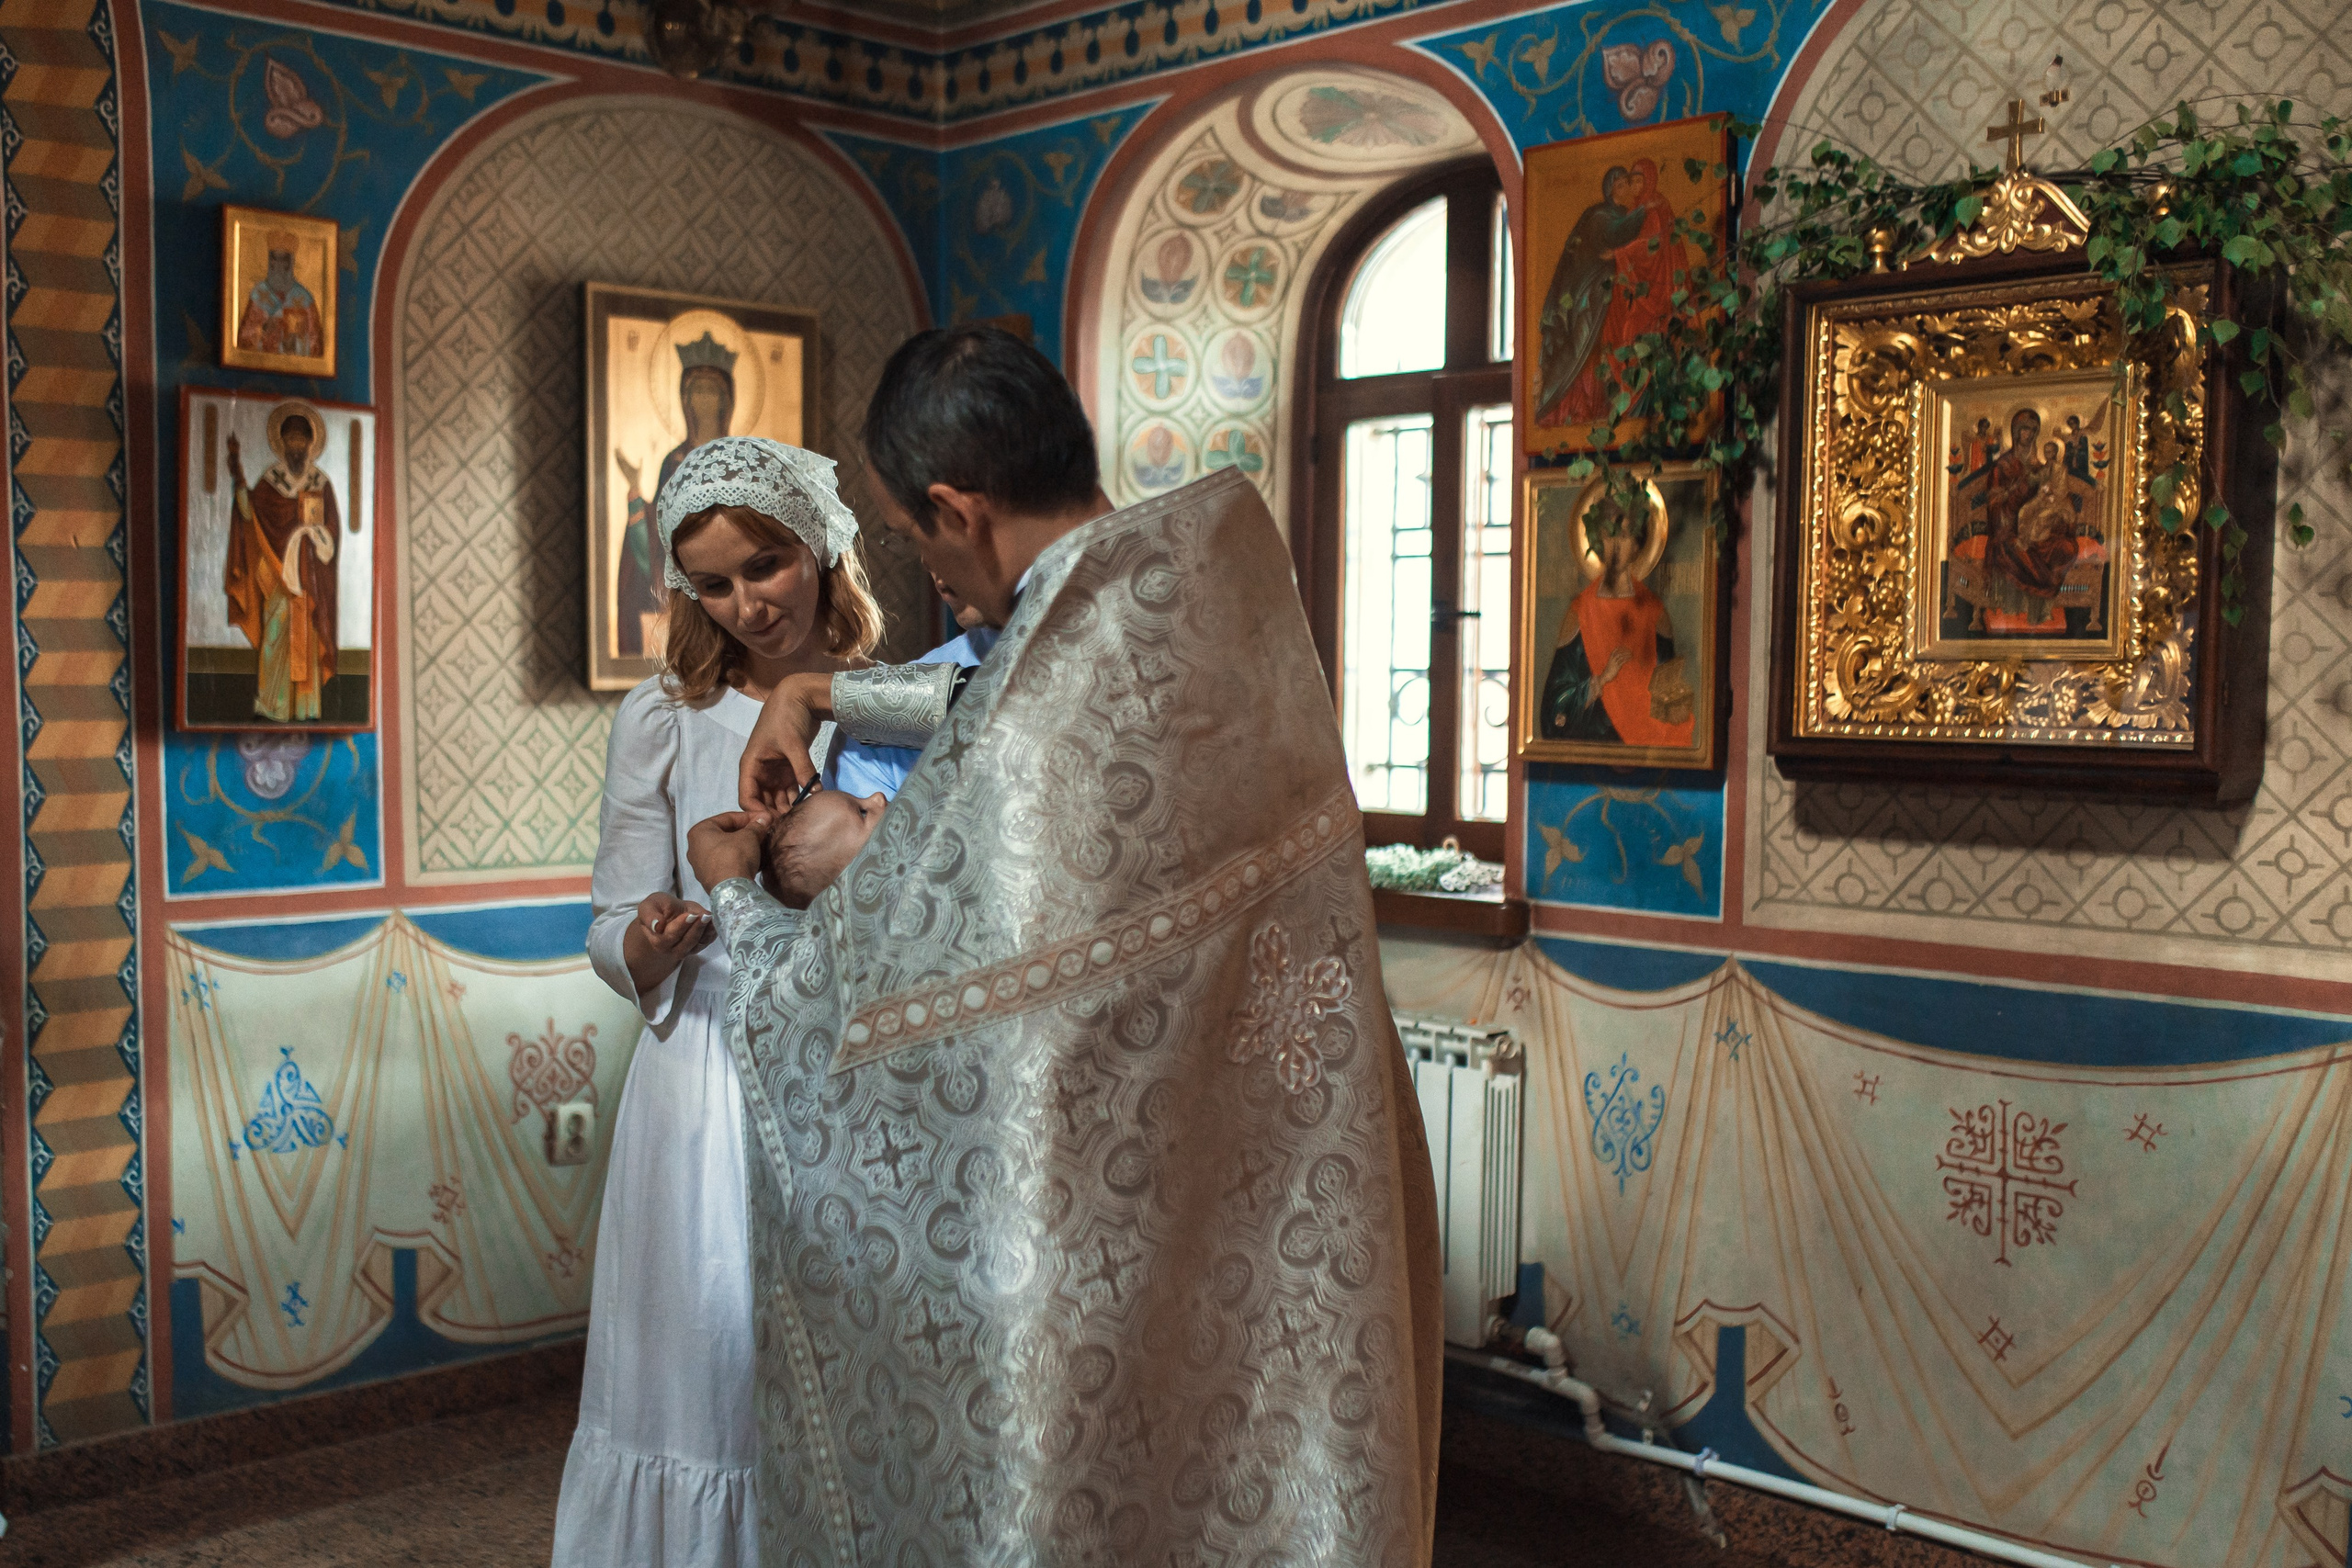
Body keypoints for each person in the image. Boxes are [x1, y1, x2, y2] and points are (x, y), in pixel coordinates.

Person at [685, 325, 1442, 1565]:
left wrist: (742, 898)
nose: (931, 574)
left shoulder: (1037, 727)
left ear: (953, 508)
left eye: (916, 537)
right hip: (1269, 1178)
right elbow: (1014, 691)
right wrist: (816, 692)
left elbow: (837, 1007)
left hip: (1101, 1228)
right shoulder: (1194, 580)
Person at [557, 435, 896, 1568]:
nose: (744, 603)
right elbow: (607, 924)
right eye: (711, 582)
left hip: (858, 1074)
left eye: (766, 565)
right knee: (711, 1363)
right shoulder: (663, 717)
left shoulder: (893, 706)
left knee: (847, 1361)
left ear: (825, 549)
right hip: (703, 1079)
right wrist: (647, 946)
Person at [1534, 159, 1685, 431]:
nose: (1631, 186)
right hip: (1588, 300)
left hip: (1628, 297)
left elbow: (1649, 248)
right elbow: (1617, 233)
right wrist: (1638, 217)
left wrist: (1621, 252)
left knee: (1610, 349)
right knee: (1581, 350)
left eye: (1636, 181)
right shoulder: (1601, 216)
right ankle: (1558, 403)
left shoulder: (1646, 210)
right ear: (1611, 187)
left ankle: (1615, 407)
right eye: (1626, 181)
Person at [1539, 486, 1691, 746]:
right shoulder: (1580, 612)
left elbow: (1668, 694)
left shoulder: (1655, 613)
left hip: (1648, 745)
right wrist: (1599, 682)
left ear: (1638, 545)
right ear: (1598, 540)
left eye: (1626, 535)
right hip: (1595, 745)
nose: (1617, 545)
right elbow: (1554, 710)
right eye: (1609, 535)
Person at [223, 403, 341, 723]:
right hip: (276, 575)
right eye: (290, 440)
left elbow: (332, 533)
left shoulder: (321, 483)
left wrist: (316, 534)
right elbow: (250, 516)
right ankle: (273, 705)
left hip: (310, 576)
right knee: (275, 635)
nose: (296, 446)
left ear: (310, 443)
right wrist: (238, 477)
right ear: (282, 443)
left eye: (301, 440)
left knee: (308, 635)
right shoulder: (271, 480)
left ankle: (306, 708)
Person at [236, 234, 322, 357]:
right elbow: (244, 340)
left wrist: (296, 341)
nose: (279, 264)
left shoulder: (304, 297)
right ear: (270, 261)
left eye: (284, 259)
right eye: (274, 258)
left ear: (290, 262)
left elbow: (316, 345)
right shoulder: (258, 293)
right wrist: (264, 328)